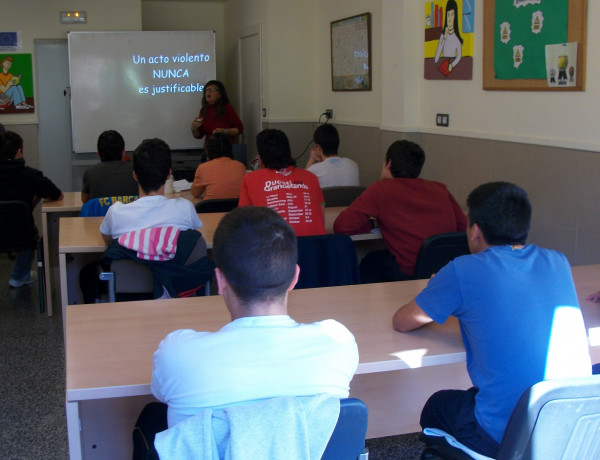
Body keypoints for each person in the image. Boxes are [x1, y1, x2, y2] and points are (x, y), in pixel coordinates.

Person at [134, 206, 358, 456]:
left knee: (151, 417)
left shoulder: (177, 353)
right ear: (295, 277)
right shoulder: (337, 342)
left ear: (219, 281)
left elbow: (161, 393)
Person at [392, 182, 592, 458]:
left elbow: (403, 321)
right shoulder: (557, 261)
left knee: (437, 405)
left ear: (475, 230)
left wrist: (442, 293)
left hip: (505, 437)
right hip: (571, 427)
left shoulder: (463, 270)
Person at [334, 140, 466, 283]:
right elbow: (462, 227)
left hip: (407, 270)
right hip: (443, 269)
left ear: (388, 163)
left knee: (369, 262)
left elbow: (341, 226)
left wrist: (372, 225)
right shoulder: (440, 188)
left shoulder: (380, 189)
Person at [100, 138, 201, 245]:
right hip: (171, 262)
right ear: (168, 174)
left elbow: (109, 243)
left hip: (131, 261)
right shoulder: (185, 209)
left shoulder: (115, 214)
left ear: (135, 175)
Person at [0, 131, 63, 287]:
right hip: (22, 236)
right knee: (30, 236)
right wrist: (34, 200)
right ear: (19, 151)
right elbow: (58, 195)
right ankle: (18, 277)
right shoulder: (31, 175)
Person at [238, 129, 326, 236]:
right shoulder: (312, 178)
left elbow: (244, 224)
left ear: (260, 159)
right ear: (290, 154)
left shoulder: (250, 179)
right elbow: (321, 215)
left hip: (274, 250)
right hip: (314, 249)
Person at [81, 130, 138, 203]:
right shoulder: (137, 170)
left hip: (102, 215)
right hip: (130, 214)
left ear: (98, 154)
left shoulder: (90, 173)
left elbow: (86, 202)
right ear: (123, 152)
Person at [190, 132, 246, 200]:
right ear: (230, 148)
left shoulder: (203, 168)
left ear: (208, 150)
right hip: (235, 209)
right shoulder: (240, 166)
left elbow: (195, 193)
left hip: (210, 209)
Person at [190, 80, 244, 149]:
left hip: (225, 149)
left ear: (220, 94)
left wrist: (224, 131)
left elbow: (239, 129)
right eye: (206, 89)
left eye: (211, 89)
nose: (208, 92)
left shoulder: (227, 108)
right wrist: (193, 129)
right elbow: (199, 135)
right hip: (209, 150)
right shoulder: (203, 110)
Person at [306, 124, 359, 188]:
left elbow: (301, 185)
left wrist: (312, 159)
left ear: (318, 147)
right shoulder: (353, 165)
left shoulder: (314, 170)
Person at [434, 0, 464, 74]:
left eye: (452, 15)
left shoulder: (457, 39)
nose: (450, 19)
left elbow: (459, 56)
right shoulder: (443, 36)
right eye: (448, 15)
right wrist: (444, 38)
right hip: (441, 68)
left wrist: (452, 65)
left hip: (451, 69)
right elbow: (436, 59)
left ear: (455, 17)